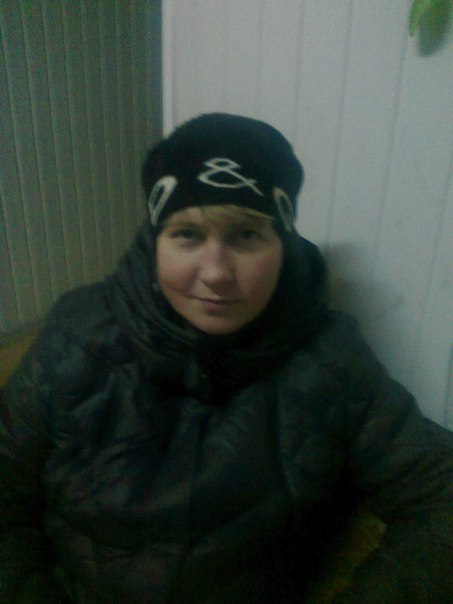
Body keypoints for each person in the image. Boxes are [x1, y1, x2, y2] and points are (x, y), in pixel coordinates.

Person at [1, 113, 452, 603]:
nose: (216, 273)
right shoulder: (77, 336)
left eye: (246, 235)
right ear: (156, 240)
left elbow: (441, 495)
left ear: (282, 244)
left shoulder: (333, 363)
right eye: (187, 234)